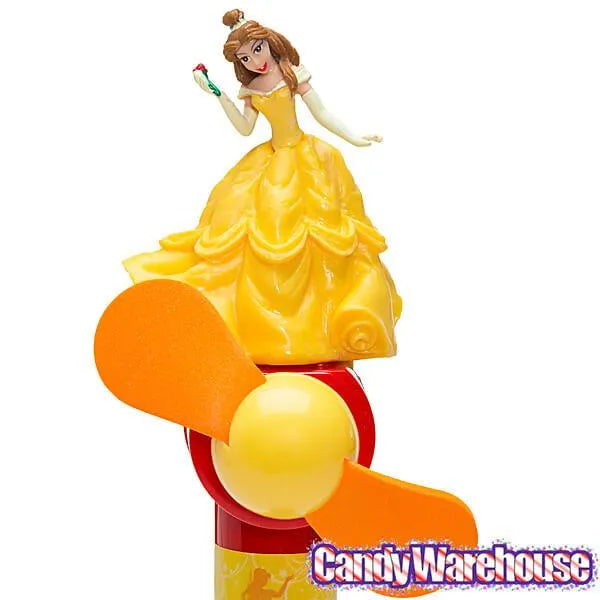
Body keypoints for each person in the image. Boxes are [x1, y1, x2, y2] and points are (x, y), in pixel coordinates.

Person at [124, 9, 401, 365]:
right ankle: (261, 325)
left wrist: (354, 137)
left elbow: (322, 114)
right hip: (270, 156)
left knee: (319, 229)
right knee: (251, 221)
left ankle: (316, 323)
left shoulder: (292, 74)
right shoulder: (250, 89)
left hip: (305, 156)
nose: (256, 62)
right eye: (245, 58)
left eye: (257, 50)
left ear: (269, 43)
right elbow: (244, 129)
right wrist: (219, 95)